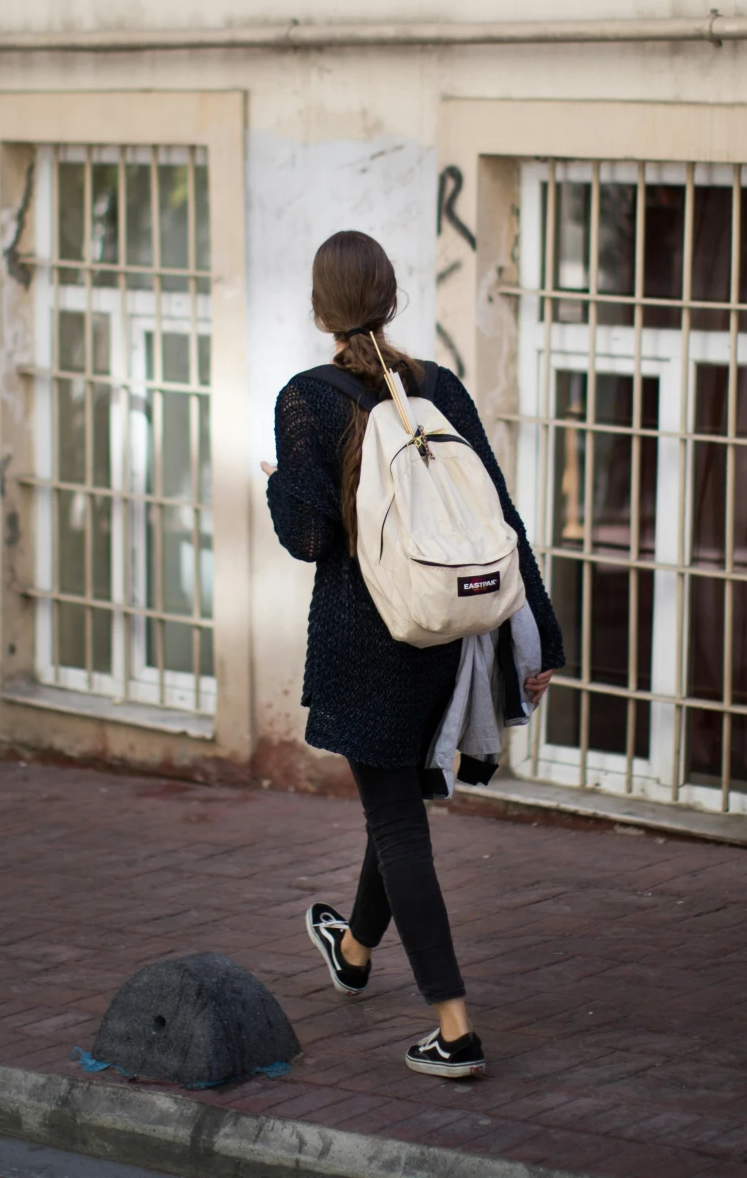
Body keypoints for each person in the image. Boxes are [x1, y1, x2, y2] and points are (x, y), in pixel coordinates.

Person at [264, 230, 564, 1079]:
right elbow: (500, 517)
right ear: (390, 299)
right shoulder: (441, 387)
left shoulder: (307, 398)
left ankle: (454, 1027)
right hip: (450, 637)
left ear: (321, 308)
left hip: (369, 641)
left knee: (395, 819)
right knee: (394, 804)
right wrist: (541, 631)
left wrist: (277, 478)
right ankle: (354, 950)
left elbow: (310, 533)